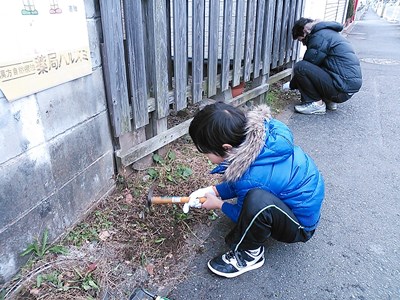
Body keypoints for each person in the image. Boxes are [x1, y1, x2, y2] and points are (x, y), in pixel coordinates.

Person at [185, 101, 325, 278]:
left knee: (256, 202)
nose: (206, 157)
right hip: (301, 205)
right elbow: (244, 182)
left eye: (206, 153)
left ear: (226, 148)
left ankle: (250, 255)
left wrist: (219, 205)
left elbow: (244, 213)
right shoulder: (263, 135)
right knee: (254, 193)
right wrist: (214, 190)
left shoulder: (253, 175)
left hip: (300, 226)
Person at [285, 17, 362, 115]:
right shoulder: (328, 33)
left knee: (300, 67)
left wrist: (291, 85)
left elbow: (307, 65)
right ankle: (329, 100)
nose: (304, 44)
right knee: (316, 67)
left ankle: (316, 104)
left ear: (304, 31)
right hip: (346, 88)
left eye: (302, 40)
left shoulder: (320, 36)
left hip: (340, 89)